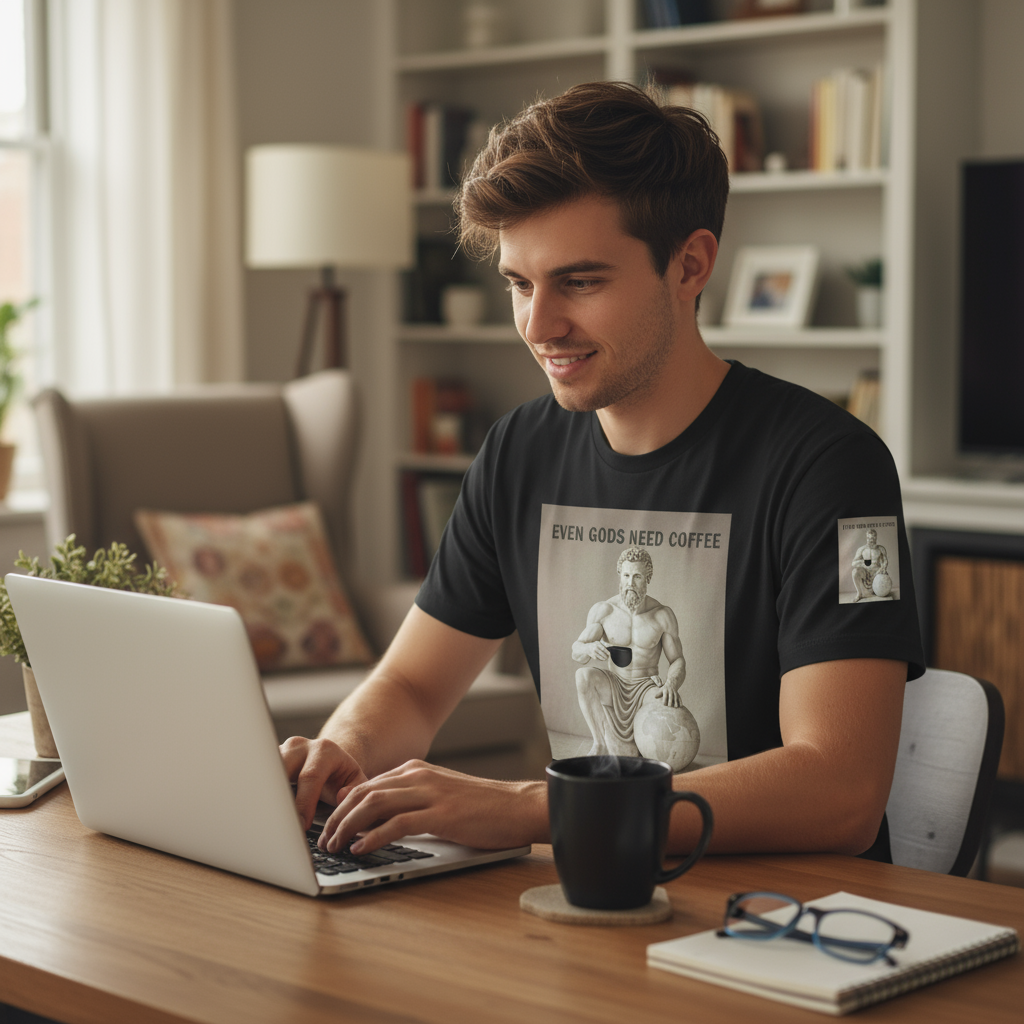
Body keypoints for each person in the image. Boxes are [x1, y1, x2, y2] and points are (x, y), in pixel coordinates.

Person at [282, 81, 924, 861]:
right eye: (519, 284)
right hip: (587, 891)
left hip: (781, 910)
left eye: (579, 282)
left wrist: (535, 809)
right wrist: (340, 754)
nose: (539, 325)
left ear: (689, 266)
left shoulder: (833, 468)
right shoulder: (518, 453)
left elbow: (840, 790)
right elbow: (412, 687)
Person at [571, 546, 691, 762]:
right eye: (626, 575)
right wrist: (588, 648)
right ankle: (599, 743)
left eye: (637, 577)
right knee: (583, 676)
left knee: (652, 740)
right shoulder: (604, 611)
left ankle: (636, 746)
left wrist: (670, 684)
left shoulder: (662, 615)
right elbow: (576, 651)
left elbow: (677, 660)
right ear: (620, 575)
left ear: (648, 578)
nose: (630, 583)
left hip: (646, 687)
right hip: (614, 684)